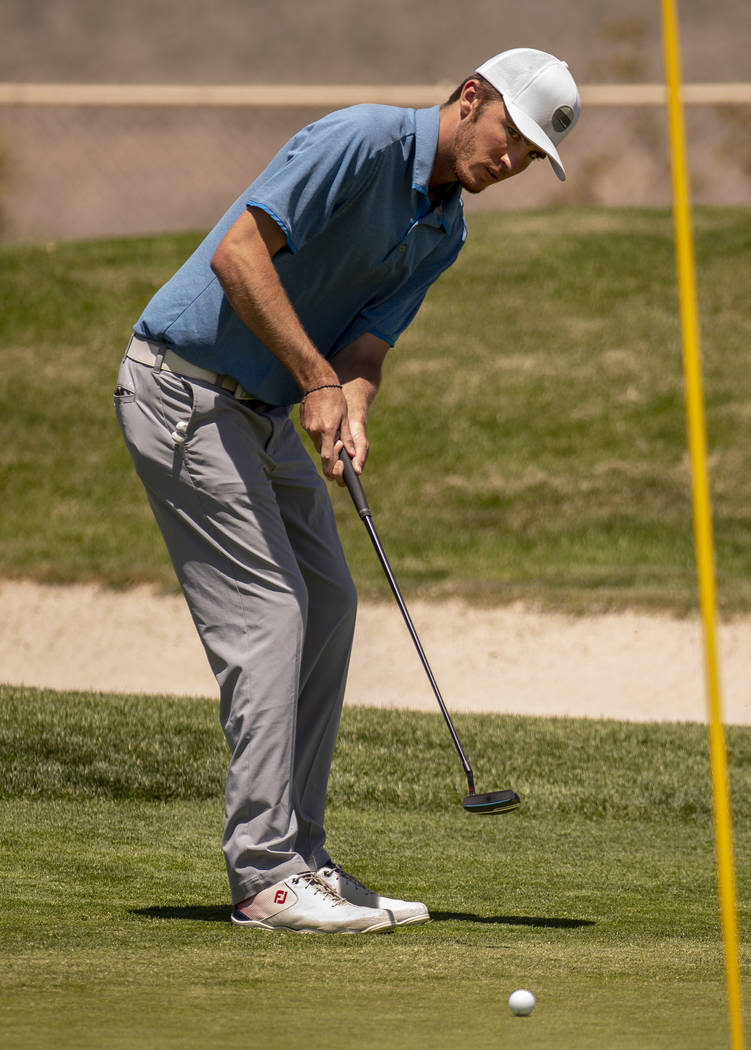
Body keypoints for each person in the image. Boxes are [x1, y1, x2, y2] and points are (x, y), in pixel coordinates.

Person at [114, 48, 581, 934]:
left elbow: (367, 345)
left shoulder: (445, 230)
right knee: (270, 618)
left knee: (328, 604)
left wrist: (350, 401)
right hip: (181, 388)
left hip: (261, 412)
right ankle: (262, 875)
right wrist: (316, 381)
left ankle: (303, 860)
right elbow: (239, 256)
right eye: (513, 138)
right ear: (471, 98)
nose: (512, 163)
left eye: (530, 157)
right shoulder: (362, 140)